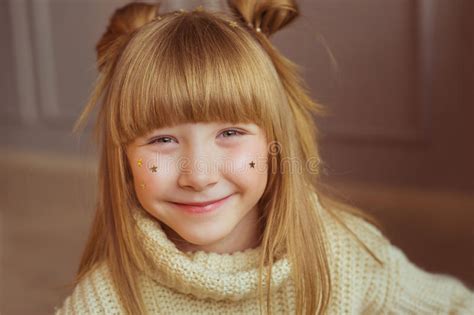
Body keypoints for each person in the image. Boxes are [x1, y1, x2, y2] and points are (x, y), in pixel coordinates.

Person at [54, 1, 474, 314]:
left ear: (274, 143)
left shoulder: (346, 255)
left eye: (230, 132)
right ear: (124, 159)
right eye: (162, 140)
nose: (198, 176)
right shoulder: (104, 302)